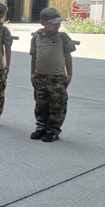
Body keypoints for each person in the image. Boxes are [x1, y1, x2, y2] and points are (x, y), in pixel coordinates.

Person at [30, 7, 75, 142]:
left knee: (57, 105)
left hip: (57, 77)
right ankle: (41, 127)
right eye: (53, 22)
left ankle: (53, 130)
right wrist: (32, 73)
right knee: (40, 104)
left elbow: (67, 56)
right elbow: (34, 56)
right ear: (42, 23)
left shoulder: (63, 37)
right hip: (40, 76)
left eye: (58, 22)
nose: (57, 25)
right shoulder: (36, 37)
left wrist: (70, 73)